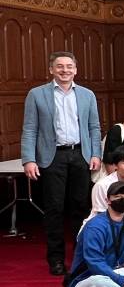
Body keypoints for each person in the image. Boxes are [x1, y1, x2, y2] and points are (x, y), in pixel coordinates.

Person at [21, 51, 102, 275]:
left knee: (80, 208)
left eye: (69, 66)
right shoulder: (36, 94)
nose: (65, 70)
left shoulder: (87, 95)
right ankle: (55, 259)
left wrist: (96, 153)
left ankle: (80, 255)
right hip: (52, 156)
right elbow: (29, 129)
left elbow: (94, 127)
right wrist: (29, 159)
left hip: (80, 155)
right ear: (51, 69)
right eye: (60, 66)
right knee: (54, 209)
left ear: (76, 70)